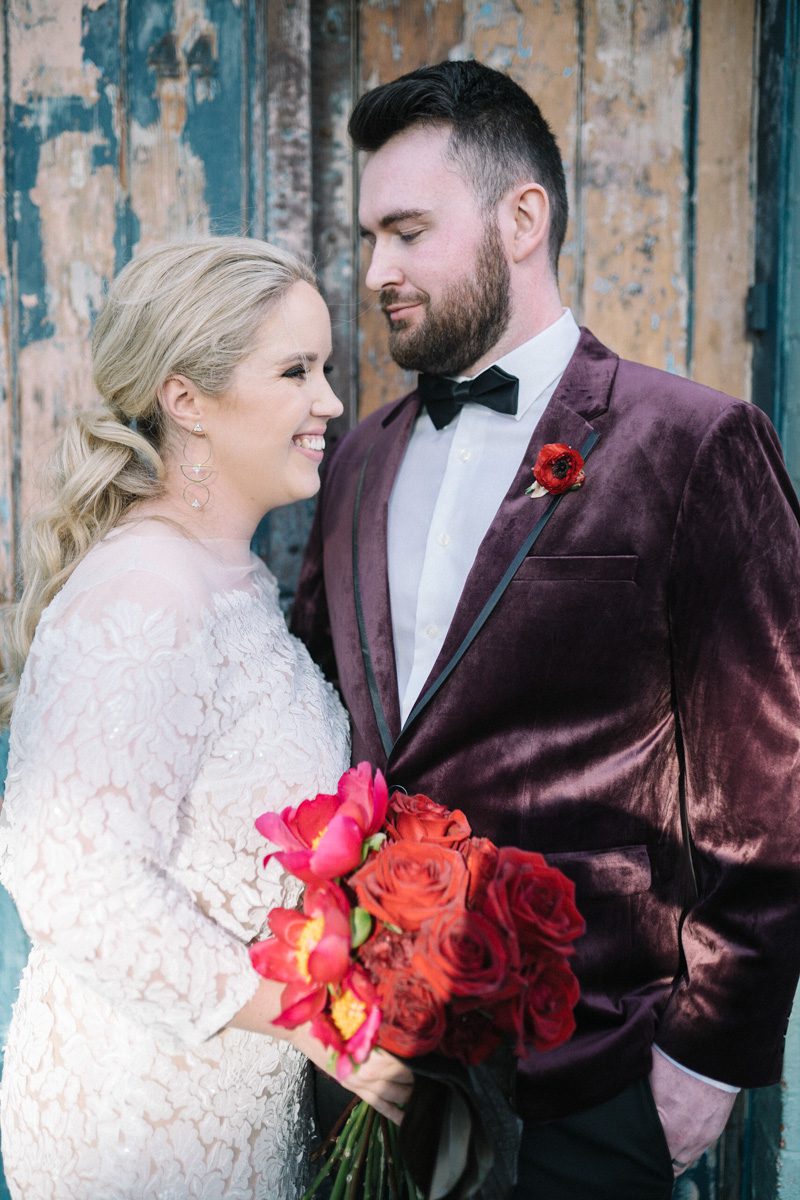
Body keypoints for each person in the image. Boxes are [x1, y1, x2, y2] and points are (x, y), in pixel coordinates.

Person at [292, 60, 800, 1199]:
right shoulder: (358, 457)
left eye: (407, 232)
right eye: (369, 237)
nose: (375, 272)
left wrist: (707, 1056)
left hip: (593, 1075)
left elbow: (775, 784)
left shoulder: (693, 443)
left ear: (522, 220)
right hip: (371, 1069)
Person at [0, 236, 411, 1200]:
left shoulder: (235, 580)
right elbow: (72, 880)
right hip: (138, 1125)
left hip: (236, 1109)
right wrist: (313, 1021)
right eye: (296, 372)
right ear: (186, 399)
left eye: (325, 370)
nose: (330, 403)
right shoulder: (145, 589)